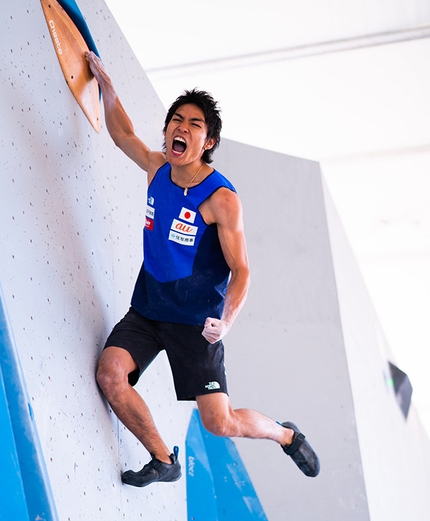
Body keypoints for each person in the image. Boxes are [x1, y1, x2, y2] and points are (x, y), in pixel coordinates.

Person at [86, 51, 320, 487]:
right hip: (149, 309)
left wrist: (226, 322)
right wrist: (108, 88)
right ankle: (163, 459)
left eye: (195, 124)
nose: (182, 127)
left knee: (220, 422)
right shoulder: (158, 167)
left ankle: (284, 433)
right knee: (110, 375)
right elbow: (122, 135)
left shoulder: (221, 199)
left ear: (207, 142)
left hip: (196, 323)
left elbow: (242, 270)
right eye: (177, 119)